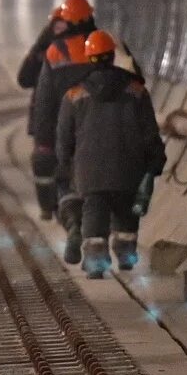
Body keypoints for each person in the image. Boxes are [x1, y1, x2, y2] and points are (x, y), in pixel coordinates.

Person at [56, 31, 166, 278]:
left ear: (88, 57)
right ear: (112, 56)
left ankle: (96, 261)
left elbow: (64, 137)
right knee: (126, 211)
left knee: (94, 212)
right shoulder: (136, 90)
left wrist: (65, 166)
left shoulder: (74, 94)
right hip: (129, 166)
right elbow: (149, 131)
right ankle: (126, 254)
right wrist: (155, 160)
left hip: (89, 171)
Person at [29, 0, 98, 248]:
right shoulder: (103, 44)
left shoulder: (56, 52)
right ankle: (97, 236)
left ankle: (73, 225)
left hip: (64, 129)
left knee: (66, 180)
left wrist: (43, 140)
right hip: (99, 129)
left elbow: (44, 100)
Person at [17, 6, 67, 216]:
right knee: (45, 162)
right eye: (56, 26)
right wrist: (36, 52)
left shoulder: (85, 49)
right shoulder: (42, 51)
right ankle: (49, 205)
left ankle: (63, 203)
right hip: (46, 117)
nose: (61, 30)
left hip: (69, 115)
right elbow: (24, 79)